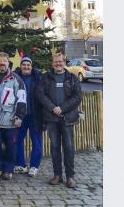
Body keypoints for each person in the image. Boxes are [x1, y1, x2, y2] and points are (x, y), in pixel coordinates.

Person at [35, 52, 82, 188]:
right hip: (51, 118)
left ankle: (70, 177)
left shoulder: (72, 78)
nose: (58, 64)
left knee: (68, 147)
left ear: (64, 62)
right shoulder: (45, 78)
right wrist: (52, 108)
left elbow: (77, 97)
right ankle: (57, 175)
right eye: (56, 62)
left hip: (67, 117)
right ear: (52, 63)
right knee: (55, 147)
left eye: (60, 61)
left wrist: (62, 108)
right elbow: (40, 94)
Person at [0, 52, 27, 180]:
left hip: (10, 120)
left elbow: (22, 99)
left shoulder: (16, 79)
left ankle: (8, 169)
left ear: (8, 63)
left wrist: (19, 117)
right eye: (0, 60)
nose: (2, 63)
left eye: (5, 61)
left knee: (11, 146)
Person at [13, 56, 43, 177]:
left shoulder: (38, 78)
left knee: (37, 142)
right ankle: (21, 164)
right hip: (21, 115)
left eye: (28, 65)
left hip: (35, 115)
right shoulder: (15, 78)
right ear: (20, 66)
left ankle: (34, 166)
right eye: (24, 64)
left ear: (31, 66)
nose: (26, 67)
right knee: (17, 140)